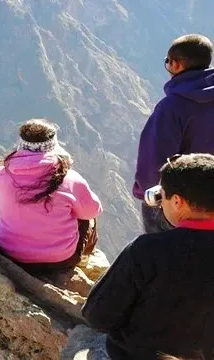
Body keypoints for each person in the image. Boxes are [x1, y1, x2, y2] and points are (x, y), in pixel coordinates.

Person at [83, 153, 214, 360]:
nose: (160, 204)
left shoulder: (147, 251)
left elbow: (98, 315)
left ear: (178, 201)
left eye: (163, 196)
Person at [0, 119, 103, 281]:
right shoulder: (70, 180)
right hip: (59, 261)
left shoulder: (0, 174)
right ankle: (84, 259)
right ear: (53, 145)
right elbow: (94, 210)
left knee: (2, 206)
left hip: (9, 253)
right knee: (86, 213)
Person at [132, 34, 214, 234]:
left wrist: (146, 193)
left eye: (168, 62)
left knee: (162, 255)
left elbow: (154, 160)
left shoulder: (171, 108)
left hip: (180, 201)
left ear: (176, 65)